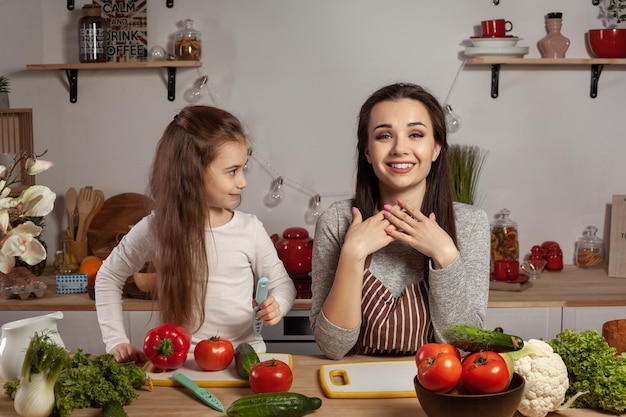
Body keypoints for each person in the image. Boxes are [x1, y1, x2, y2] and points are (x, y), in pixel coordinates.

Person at [95, 105, 296, 363]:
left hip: (243, 360)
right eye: (233, 171)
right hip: (181, 364)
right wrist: (116, 341)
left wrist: (277, 303)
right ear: (192, 172)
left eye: (243, 169)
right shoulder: (157, 227)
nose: (243, 181)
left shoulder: (250, 229)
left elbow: (283, 284)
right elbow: (108, 276)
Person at [310, 83, 489, 360]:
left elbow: (466, 346)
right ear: (367, 151)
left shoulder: (470, 223)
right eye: (384, 136)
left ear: (436, 148)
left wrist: (445, 255)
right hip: (353, 388)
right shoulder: (336, 220)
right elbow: (333, 347)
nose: (400, 148)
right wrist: (353, 254)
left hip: (437, 389)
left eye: (416, 134)